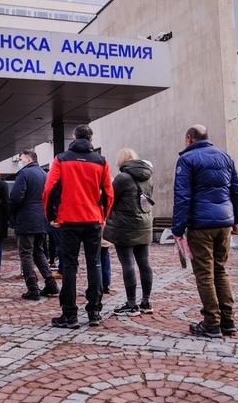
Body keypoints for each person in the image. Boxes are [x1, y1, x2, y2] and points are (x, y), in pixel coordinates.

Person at [172, 124, 238, 339]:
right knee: (221, 270)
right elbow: (237, 190)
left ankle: (211, 322)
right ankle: (228, 320)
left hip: (201, 225)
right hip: (224, 223)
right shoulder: (225, 157)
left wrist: (178, 228)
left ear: (189, 139)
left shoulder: (187, 160)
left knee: (204, 274)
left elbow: (182, 197)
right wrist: (236, 219)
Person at [44, 124, 114, 328]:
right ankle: (94, 311)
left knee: (69, 266)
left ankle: (70, 314)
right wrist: (103, 216)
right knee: (94, 264)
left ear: (74, 137)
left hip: (69, 219)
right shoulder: (101, 161)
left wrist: (51, 215)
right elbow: (109, 193)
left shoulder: (61, 159)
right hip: (92, 218)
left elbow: (49, 188)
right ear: (91, 139)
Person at [104, 148, 155, 316]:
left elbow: (109, 199)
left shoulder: (122, 178)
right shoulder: (148, 177)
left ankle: (131, 304)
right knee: (144, 262)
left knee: (128, 264)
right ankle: (146, 302)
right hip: (144, 224)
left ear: (122, 160)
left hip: (125, 227)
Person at [9, 149, 59, 300]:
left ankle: (32, 287)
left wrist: (11, 213)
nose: (19, 162)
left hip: (26, 219)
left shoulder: (24, 174)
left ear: (29, 159)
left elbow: (16, 197)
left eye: (20, 159)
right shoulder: (44, 174)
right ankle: (50, 283)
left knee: (26, 253)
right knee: (38, 252)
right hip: (41, 219)